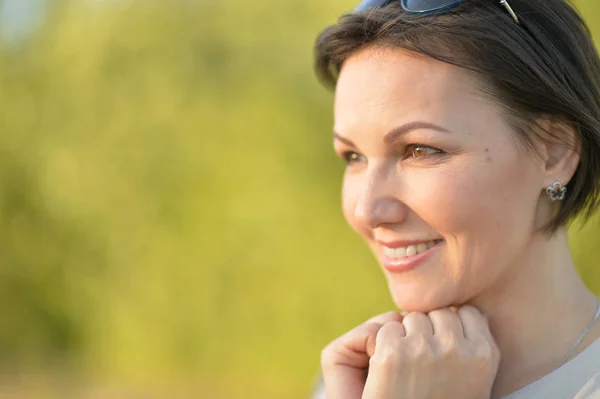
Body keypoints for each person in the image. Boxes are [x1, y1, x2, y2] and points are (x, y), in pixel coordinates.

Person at [310, 0, 600, 398]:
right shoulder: (362, 379)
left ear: (555, 152)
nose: (368, 210)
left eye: (420, 150)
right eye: (354, 156)